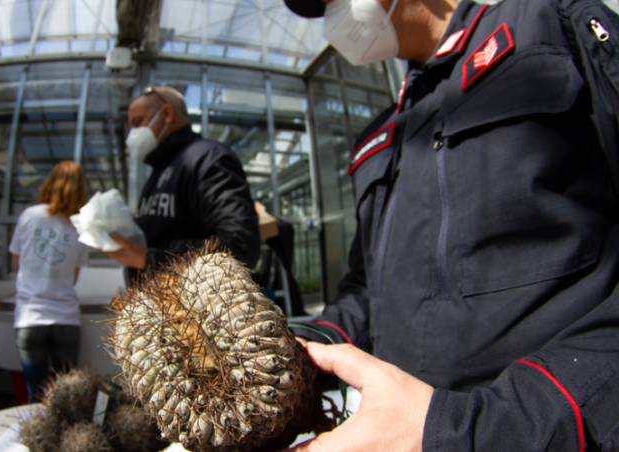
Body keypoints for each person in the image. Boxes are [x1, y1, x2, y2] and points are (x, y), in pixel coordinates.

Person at [281, 0, 619, 450]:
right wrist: (299, 348)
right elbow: (364, 288)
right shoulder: (381, 134)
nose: (332, 20)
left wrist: (484, 428)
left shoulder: (547, 25)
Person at [105, 86, 261, 281]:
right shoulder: (158, 170)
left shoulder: (206, 159)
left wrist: (152, 259)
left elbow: (240, 245)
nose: (132, 134)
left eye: (138, 123)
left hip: (189, 299)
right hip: (158, 297)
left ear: (167, 114)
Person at [9, 160, 89, 402]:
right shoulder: (80, 226)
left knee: (38, 395)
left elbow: (15, 265)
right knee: (67, 395)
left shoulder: (29, 216)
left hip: (30, 316)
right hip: (65, 317)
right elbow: (73, 278)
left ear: (50, 183)